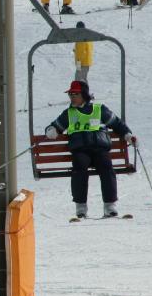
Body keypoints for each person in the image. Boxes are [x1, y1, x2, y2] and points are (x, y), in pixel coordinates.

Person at [44, 80, 135, 218]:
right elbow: (54, 126)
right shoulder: (69, 113)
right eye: (70, 94)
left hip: (99, 149)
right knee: (79, 167)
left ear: (84, 95)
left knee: (106, 167)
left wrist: (128, 135)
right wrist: (51, 131)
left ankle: (109, 206)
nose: (72, 97)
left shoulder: (99, 109)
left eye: (75, 94)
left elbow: (117, 124)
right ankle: (81, 207)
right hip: (81, 150)